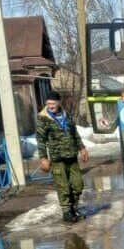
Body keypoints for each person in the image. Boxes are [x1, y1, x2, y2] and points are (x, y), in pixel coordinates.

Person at [36, 91, 89, 222]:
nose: (50, 106)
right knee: (63, 186)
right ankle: (66, 212)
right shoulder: (43, 118)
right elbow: (40, 139)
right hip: (57, 158)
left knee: (78, 185)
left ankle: (74, 208)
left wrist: (82, 148)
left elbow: (74, 133)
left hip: (71, 156)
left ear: (59, 103)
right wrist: (43, 158)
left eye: (53, 103)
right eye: (48, 104)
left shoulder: (67, 115)